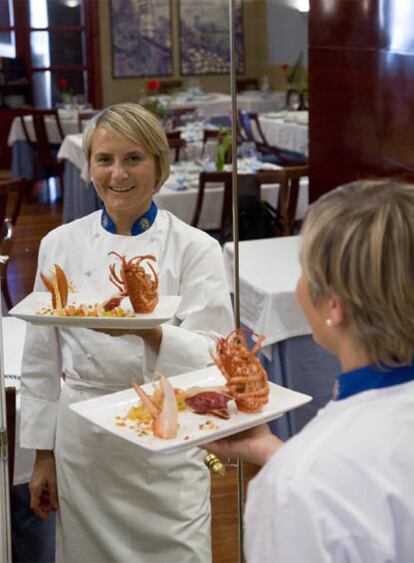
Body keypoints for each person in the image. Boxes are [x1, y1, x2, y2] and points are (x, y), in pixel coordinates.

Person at [20, 102, 234, 562]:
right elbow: (40, 360)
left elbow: (217, 359)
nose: (118, 173)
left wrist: (148, 334)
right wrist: (43, 455)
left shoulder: (197, 248)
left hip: (167, 438)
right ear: (88, 165)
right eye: (104, 159)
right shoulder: (59, 243)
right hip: (84, 443)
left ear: (159, 164)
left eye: (133, 158)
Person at [206, 179, 414, 562]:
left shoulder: (294, 488)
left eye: (302, 270)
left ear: (334, 306)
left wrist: (290, 467)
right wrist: (273, 451)